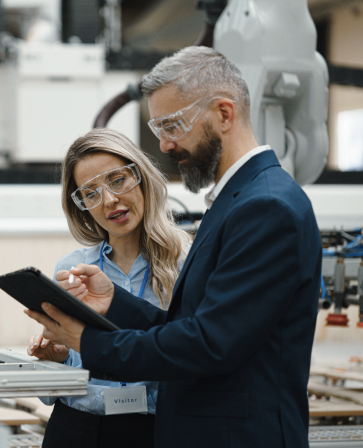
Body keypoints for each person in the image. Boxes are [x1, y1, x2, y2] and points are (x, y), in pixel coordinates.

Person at [25, 46, 322, 448]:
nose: (164, 145)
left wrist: (87, 341)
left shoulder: (265, 206)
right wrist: (114, 301)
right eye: (158, 129)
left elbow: (209, 344)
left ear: (223, 113)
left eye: (173, 125)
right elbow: (189, 328)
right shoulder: (237, 200)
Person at [25, 128, 190, 448]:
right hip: (76, 431)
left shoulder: (185, 265)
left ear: (141, 176)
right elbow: (50, 395)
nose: (109, 200)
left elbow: (194, 358)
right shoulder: (72, 270)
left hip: (153, 432)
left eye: (117, 180)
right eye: (90, 193)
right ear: (81, 205)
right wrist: (55, 360)